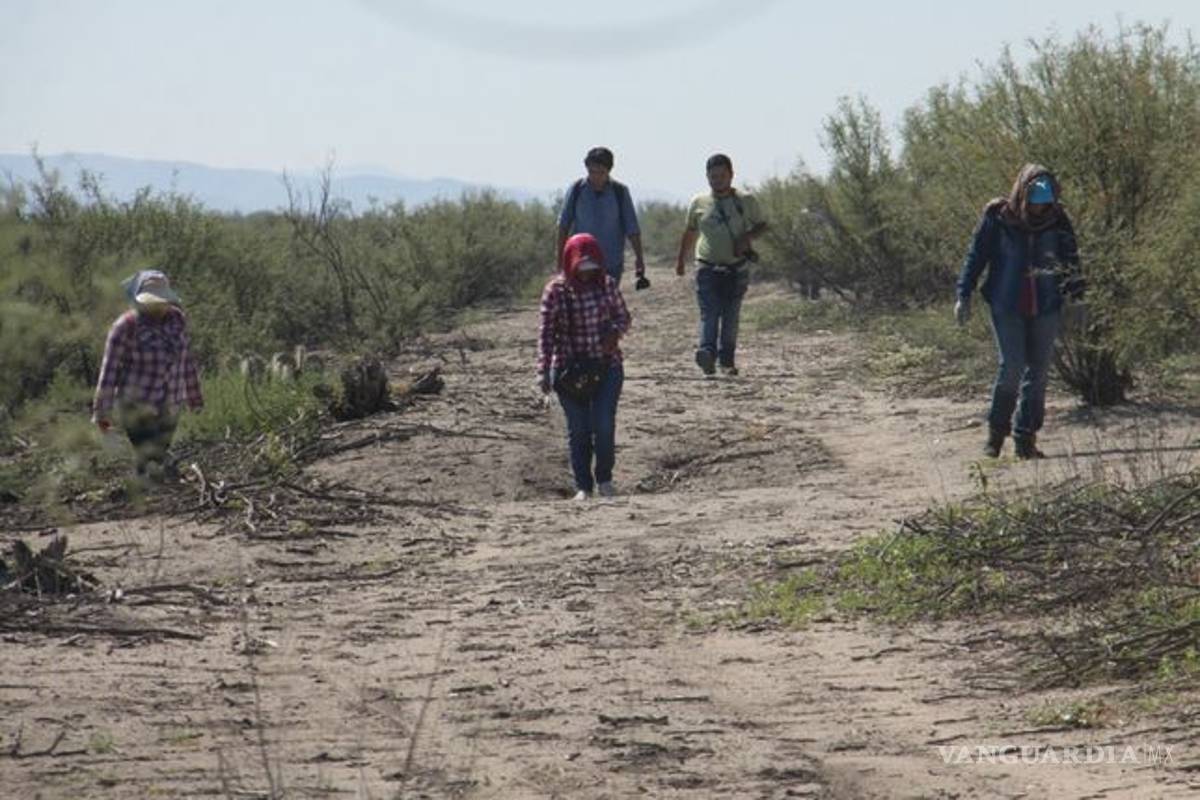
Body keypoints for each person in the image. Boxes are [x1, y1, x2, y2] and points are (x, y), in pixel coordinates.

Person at [955, 164, 1083, 459]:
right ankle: (996, 435)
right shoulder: (998, 218)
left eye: (1046, 204)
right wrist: (964, 293)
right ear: (1022, 194)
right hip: (1006, 303)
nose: (1041, 210)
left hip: (1046, 304)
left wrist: (1078, 297)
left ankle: (1026, 438)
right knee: (1011, 367)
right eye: (1037, 204)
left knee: (1037, 373)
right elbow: (976, 256)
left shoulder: (1058, 220)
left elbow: (1070, 259)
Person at [538, 233, 632, 500]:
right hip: (568, 371)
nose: (587, 273)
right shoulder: (555, 292)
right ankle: (583, 486)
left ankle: (605, 479)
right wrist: (543, 372)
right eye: (582, 265)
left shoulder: (607, 285)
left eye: (592, 266)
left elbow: (623, 317)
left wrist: (614, 332)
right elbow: (545, 335)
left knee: (603, 424)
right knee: (578, 430)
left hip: (607, 367)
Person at [92, 269, 204, 480]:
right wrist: (102, 412)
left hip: (171, 402)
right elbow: (109, 370)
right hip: (136, 403)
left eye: (162, 301)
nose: (158, 307)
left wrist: (194, 397)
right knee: (148, 454)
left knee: (158, 454)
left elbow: (186, 360)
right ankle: (146, 497)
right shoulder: (125, 327)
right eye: (152, 302)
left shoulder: (177, 320)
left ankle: (155, 496)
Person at [676, 153, 768, 376]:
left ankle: (726, 361)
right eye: (713, 176)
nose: (717, 180)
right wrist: (681, 260)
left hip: (736, 269)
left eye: (722, 176)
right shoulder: (698, 203)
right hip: (707, 267)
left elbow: (762, 225)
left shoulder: (746, 201)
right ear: (707, 177)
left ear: (731, 175)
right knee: (709, 312)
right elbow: (690, 231)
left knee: (730, 316)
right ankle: (707, 353)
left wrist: (746, 238)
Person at [557, 146, 647, 288]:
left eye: (601, 172)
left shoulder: (620, 192)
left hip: (611, 263)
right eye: (592, 171)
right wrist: (561, 261)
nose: (596, 176)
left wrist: (639, 259)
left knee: (606, 304)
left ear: (609, 171)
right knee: (583, 305)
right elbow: (563, 225)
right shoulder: (576, 190)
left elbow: (632, 228)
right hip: (581, 262)